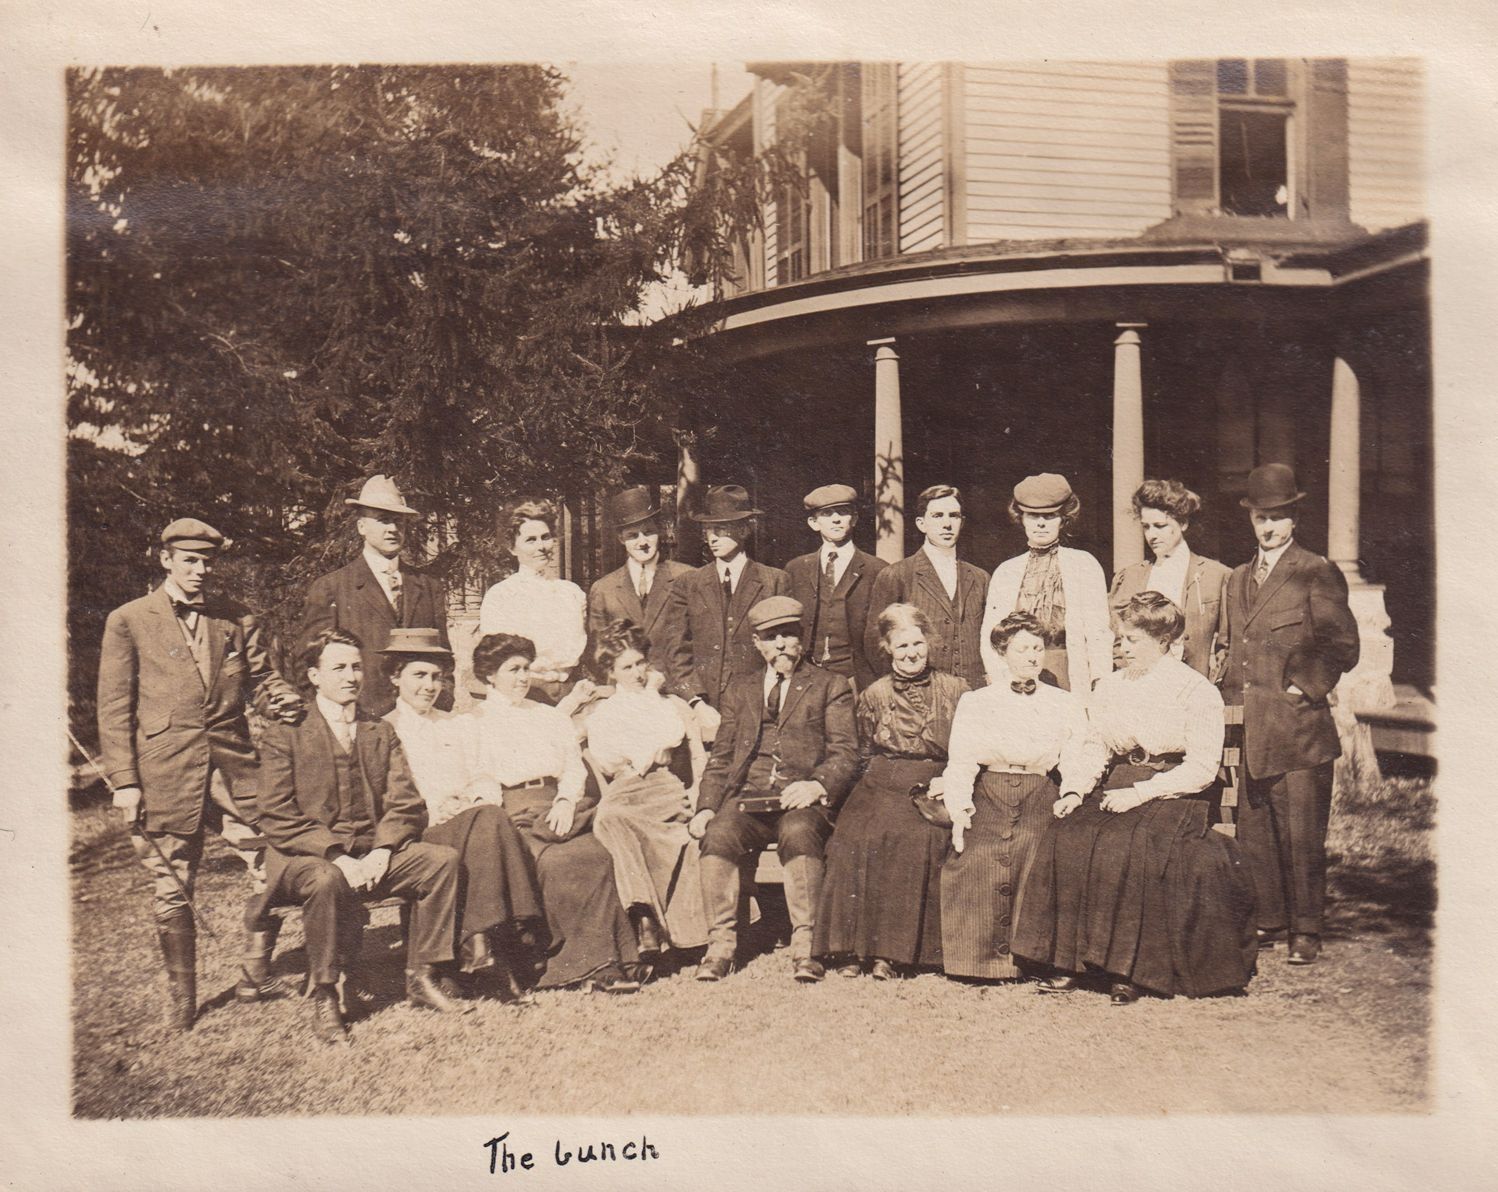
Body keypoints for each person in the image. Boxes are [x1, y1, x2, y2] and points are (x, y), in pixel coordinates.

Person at [96, 518, 304, 1031]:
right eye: (189, 560)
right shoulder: (129, 620)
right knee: (171, 878)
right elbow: (114, 708)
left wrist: (283, 699)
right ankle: (182, 1002)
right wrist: (125, 781)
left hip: (234, 764)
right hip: (164, 769)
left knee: (272, 856)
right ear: (165, 559)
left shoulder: (235, 617)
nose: (200, 570)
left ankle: (255, 974)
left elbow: (261, 679)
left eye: (207, 561)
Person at [1013, 592, 1258, 1003]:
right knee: (1067, 834)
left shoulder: (1195, 690)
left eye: (1132, 640)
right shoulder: (1111, 686)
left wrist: (1140, 793)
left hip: (1175, 788)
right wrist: (1074, 790)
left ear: (1163, 641)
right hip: (1121, 781)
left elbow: (1201, 768)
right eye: (1121, 638)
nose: (1122, 648)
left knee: (1129, 845)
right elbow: (1096, 746)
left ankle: (1126, 971)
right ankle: (1067, 962)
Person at [246, 628, 469, 1046]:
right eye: (338, 668)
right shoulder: (286, 733)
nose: (351, 677)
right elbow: (276, 814)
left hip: (370, 855)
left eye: (355, 667)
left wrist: (384, 850)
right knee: (326, 879)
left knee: (441, 862)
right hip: (303, 859)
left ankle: (422, 974)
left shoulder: (378, 730)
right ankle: (326, 994)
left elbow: (404, 801)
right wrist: (336, 855)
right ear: (313, 676)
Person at [1217, 462, 1360, 966]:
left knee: (1301, 836)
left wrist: (1304, 688)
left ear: (1294, 518)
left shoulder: (1316, 570)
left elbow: (1342, 645)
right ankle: (1270, 919)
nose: (1269, 526)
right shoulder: (1238, 578)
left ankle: (1306, 929)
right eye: (1261, 517)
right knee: (1256, 831)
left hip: (1299, 732)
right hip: (1251, 727)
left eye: (1277, 517)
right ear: (1250, 519)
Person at [690, 596, 858, 984]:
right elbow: (722, 757)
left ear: (802, 638)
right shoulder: (740, 689)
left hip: (801, 799)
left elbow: (845, 752)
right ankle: (720, 947)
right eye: (771, 637)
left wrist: (817, 784)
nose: (781, 644)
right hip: (749, 797)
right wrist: (706, 807)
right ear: (757, 643)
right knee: (718, 833)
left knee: (798, 832)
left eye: (788, 634)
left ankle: (806, 948)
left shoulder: (829, 685)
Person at [463, 632, 642, 992]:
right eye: (513, 670)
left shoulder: (548, 716)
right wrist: (499, 816)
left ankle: (609, 963)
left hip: (559, 805)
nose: (522, 677)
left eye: (526, 668)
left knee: (594, 854)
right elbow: (479, 776)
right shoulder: (474, 722)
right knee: (554, 861)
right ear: (490, 675)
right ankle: (570, 965)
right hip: (510, 812)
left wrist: (565, 801)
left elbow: (573, 768)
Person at [379, 628, 545, 995]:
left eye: (436, 677)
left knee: (488, 817)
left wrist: (475, 798)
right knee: (490, 822)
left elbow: (483, 774)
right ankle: (506, 937)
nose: (429, 686)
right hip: (423, 828)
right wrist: (436, 807)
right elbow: (391, 796)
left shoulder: (456, 723)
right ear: (395, 677)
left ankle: (479, 942)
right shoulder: (384, 729)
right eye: (419, 675)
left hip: (470, 821)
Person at [814, 603, 968, 978]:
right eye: (902, 646)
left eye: (917, 643)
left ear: (929, 642)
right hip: (881, 778)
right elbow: (863, 752)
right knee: (852, 836)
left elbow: (969, 748)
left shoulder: (956, 690)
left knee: (912, 838)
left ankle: (891, 954)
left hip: (933, 779)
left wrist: (952, 780)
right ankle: (847, 949)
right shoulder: (874, 694)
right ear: (887, 649)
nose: (912, 653)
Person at [937, 612, 1093, 981]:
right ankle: (975, 961)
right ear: (1002, 652)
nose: (1032, 656)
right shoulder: (977, 701)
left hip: (1040, 791)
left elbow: (1077, 755)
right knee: (976, 853)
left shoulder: (1064, 702)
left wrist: (1072, 791)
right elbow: (961, 760)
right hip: (990, 790)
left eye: (1038, 648)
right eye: (1022, 649)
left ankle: (1032, 960)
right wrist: (960, 808)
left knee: (1035, 849)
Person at [581, 619, 710, 957]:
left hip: (663, 787)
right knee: (609, 818)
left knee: (632, 823)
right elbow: (607, 759)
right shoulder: (604, 712)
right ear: (611, 672)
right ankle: (643, 915)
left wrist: (651, 694)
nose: (637, 673)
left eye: (641, 663)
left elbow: (671, 739)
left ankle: (651, 921)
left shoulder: (665, 704)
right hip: (623, 790)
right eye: (627, 667)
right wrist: (642, 754)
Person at [299, 474, 450, 717]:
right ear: (362, 527)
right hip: (360, 720)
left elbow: (444, 657)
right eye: (383, 520)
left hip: (422, 719)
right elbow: (310, 663)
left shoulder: (428, 586)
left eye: (398, 522)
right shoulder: (331, 588)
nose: (393, 529)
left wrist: (441, 705)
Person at [660, 484, 790, 740]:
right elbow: (675, 649)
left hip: (761, 708)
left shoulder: (774, 581)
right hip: (704, 709)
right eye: (708, 529)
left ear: (743, 530)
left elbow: (784, 649)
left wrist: (770, 699)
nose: (713, 537)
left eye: (721, 528)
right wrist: (695, 701)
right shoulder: (689, 584)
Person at [980, 473, 1111, 696]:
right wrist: (1000, 682)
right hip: (1019, 676)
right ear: (1021, 518)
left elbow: (1099, 632)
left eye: (1050, 516)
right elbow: (991, 636)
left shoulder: (1084, 565)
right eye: (1033, 516)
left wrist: (1100, 683)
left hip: (1070, 672)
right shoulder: (1006, 571)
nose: (1041, 523)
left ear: (1063, 519)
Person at [864, 484, 989, 688]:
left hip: (973, 692)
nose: (947, 524)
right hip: (918, 691)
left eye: (954, 516)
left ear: (962, 522)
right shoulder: (897, 575)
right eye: (937, 516)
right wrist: (902, 688)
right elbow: (875, 643)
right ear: (921, 524)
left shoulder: (980, 578)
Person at [1109, 479, 1231, 677]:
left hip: (1195, 685)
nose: (1152, 535)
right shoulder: (1129, 577)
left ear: (1183, 523)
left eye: (1160, 526)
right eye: (1146, 527)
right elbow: (1116, 640)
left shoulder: (1216, 576)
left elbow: (1226, 646)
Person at [479, 500, 589, 704]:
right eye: (531, 540)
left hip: (572, 694)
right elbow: (496, 658)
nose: (541, 547)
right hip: (525, 694)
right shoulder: (501, 596)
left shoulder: (572, 593)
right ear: (512, 548)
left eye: (545, 537)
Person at [785, 483, 888, 695]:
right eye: (827, 514)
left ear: (855, 519)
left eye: (842, 512)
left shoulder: (877, 570)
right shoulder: (796, 569)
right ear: (814, 523)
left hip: (856, 680)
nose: (836, 519)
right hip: (806, 678)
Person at [586, 487, 693, 680]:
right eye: (633, 535)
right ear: (621, 538)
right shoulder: (603, 589)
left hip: (675, 687)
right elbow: (599, 654)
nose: (642, 542)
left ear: (659, 531)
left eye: (648, 532)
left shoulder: (686, 578)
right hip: (626, 691)